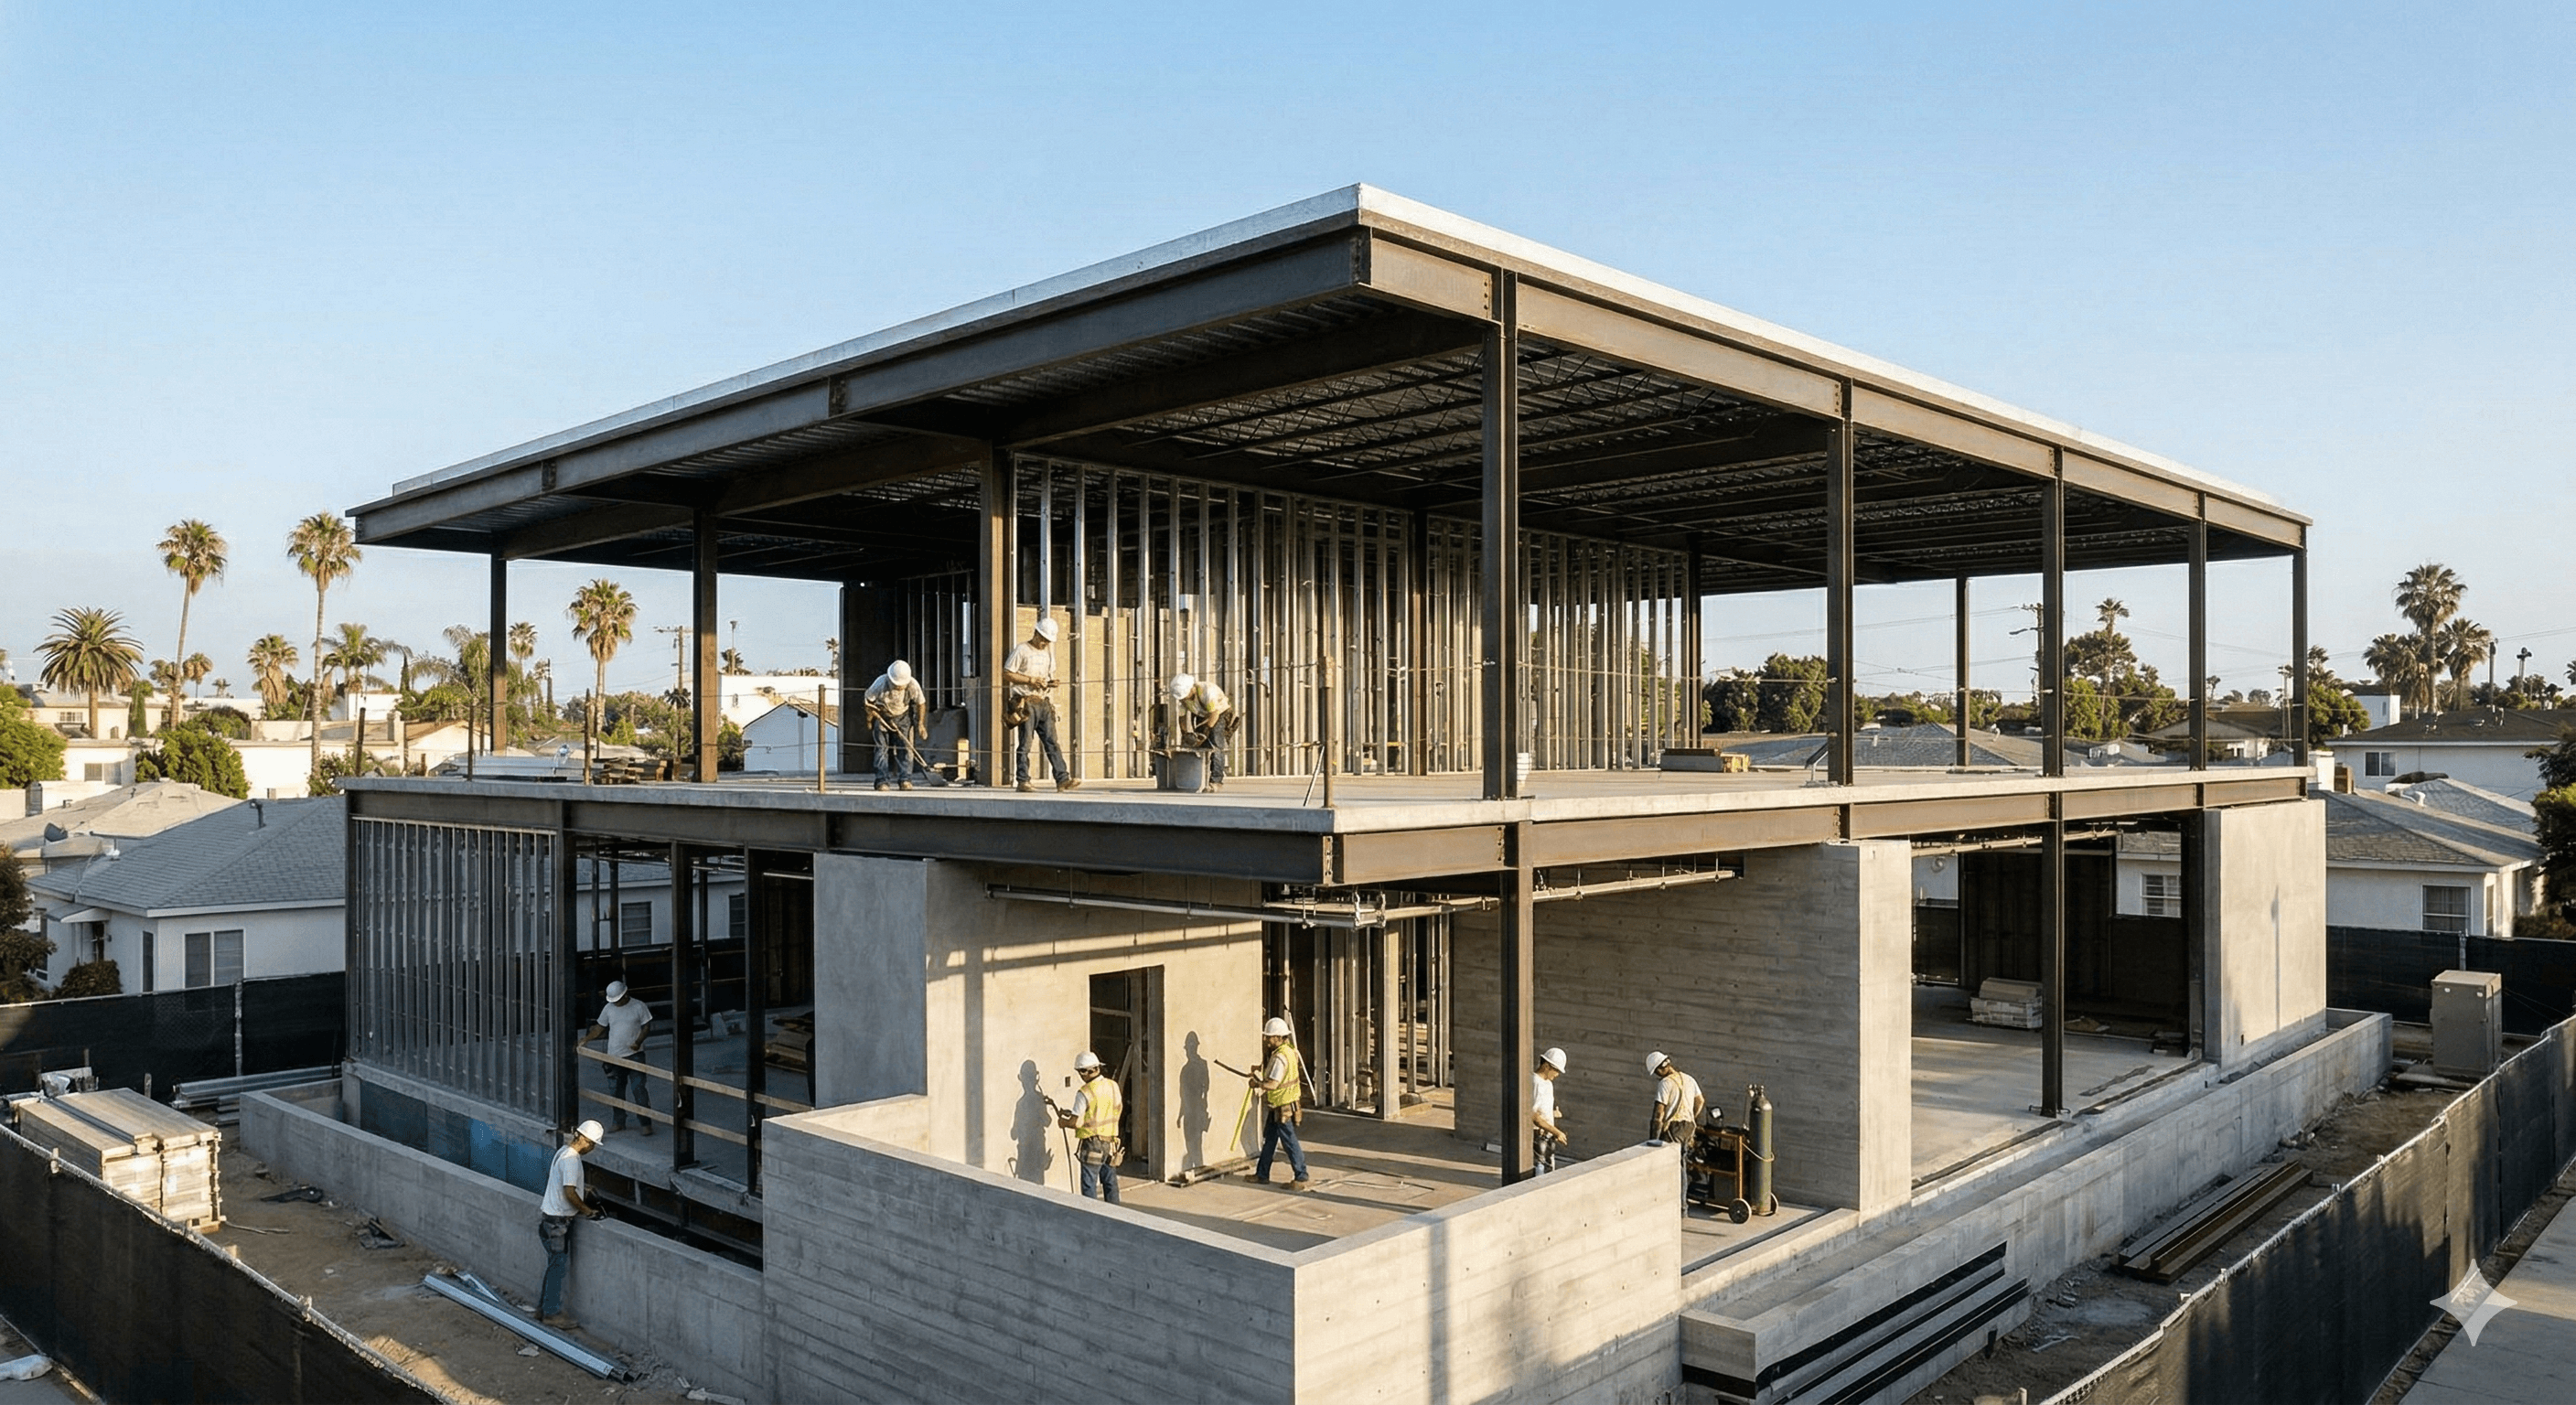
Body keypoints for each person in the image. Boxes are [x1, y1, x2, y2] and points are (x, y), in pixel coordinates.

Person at [537, 1120, 606, 1325]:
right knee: (557, 1267)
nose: (592, 1149)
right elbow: (569, 1192)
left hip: (550, 1219)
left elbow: (565, 1185)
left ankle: (542, 1309)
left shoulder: (563, 1152)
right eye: (592, 1144)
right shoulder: (572, 1160)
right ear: (584, 1140)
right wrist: (588, 1211)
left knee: (553, 1266)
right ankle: (551, 1314)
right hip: (558, 1223)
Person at [1002, 618, 1078, 793]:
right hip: (1025, 702)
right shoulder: (1022, 650)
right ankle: (1023, 780)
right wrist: (1030, 680)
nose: (1044, 643)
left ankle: (1062, 779)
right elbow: (1007, 673)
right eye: (1043, 639)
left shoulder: (1048, 653)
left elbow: (1047, 677)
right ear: (1035, 633)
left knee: (1052, 742)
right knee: (1025, 743)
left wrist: (1050, 683)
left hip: (1043, 702)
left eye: (1048, 641)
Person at [1245, 1016, 1310, 1190]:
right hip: (1282, 1104)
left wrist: (1257, 1084)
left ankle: (1301, 1176)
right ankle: (1262, 1174)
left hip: (1283, 1106)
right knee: (1270, 1141)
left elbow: (1273, 1084)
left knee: (1290, 1142)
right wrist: (1261, 1070)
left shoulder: (1280, 1057)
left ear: (1278, 1037)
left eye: (1269, 1037)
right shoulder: (1290, 1051)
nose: (1266, 1040)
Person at [584, 981, 654, 1135]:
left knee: (639, 1089)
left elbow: (647, 1026)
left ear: (626, 995)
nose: (616, 1003)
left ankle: (645, 1123)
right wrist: (586, 1039)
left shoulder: (639, 1006)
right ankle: (619, 1122)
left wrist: (638, 1042)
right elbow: (600, 1028)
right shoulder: (608, 1008)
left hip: (635, 1056)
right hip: (614, 1057)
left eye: (618, 1000)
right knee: (616, 1091)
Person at [1055, 1050, 1124, 1204]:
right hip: (1110, 1143)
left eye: (1080, 1072)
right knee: (1110, 1183)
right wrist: (1072, 1113)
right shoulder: (1113, 1085)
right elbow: (1110, 1110)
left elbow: (1076, 1123)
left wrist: (1064, 1122)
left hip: (1093, 1144)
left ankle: (1091, 1215)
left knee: (1089, 1185)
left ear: (1084, 1072)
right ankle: (1115, 1214)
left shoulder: (1085, 1092)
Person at [865, 660, 929, 791]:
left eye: (901, 685)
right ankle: (882, 781)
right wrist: (869, 719)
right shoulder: (880, 683)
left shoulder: (912, 685)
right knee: (881, 749)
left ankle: (905, 779)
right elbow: (868, 701)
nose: (899, 687)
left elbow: (921, 703)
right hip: (883, 715)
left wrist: (920, 724)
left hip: (903, 716)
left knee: (905, 749)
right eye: (896, 685)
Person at [1167, 673, 1237, 788]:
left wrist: (1206, 731)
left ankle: (1216, 780)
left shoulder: (1207, 692)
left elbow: (1214, 714)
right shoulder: (1184, 699)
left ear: (1192, 688)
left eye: (1185, 695)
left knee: (1215, 744)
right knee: (1199, 745)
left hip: (1220, 713)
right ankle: (1199, 778)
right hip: (1203, 714)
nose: (1184, 699)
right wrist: (1184, 732)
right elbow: (1182, 716)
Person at [1645, 1051, 1705, 1144]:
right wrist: (1691, 1116)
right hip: (1689, 1127)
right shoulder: (1689, 1079)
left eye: (1656, 1072)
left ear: (1659, 1069)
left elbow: (1659, 1113)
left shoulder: (1665, 1083)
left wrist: (1653, 1140)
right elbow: (1700, 1101)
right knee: (1683, 1153)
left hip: (1673, 1128)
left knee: (1669, 1153)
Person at [1533, 1046, 1569, 1174]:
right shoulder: (1535, 1082)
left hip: (1547, 1136)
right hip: (1538, 1135)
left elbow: (1540, 1110)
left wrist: (1551, 1114)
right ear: (1546, 1066)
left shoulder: (1548, 1083)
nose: (1557, 1075)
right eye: (1556, 1070)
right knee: (1539, 1168)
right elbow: (1532, 1115)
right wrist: (1556, 1132)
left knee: (1549, 1169)